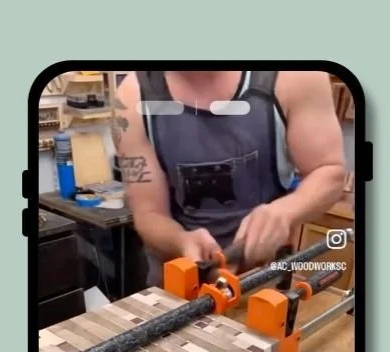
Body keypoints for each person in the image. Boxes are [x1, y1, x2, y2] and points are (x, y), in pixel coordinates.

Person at [112, 70, 346, 286]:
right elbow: (149, 214)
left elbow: (329, 171)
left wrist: (286, 212)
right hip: (177, 287)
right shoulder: (131, 100)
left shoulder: (295, 75)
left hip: (261, 285)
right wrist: (181, 242)